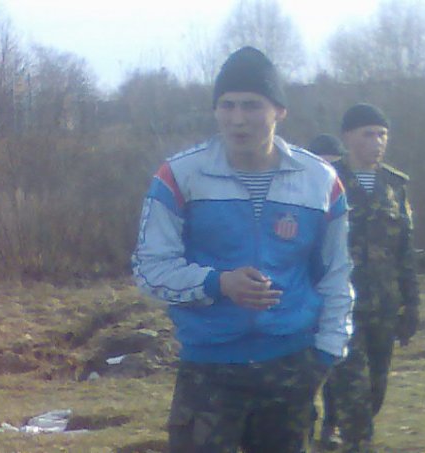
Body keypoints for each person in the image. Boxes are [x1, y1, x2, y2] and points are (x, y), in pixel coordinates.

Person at [132, 46, 354, 453]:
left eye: (252, 105)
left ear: (279, 111)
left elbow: (336, 275)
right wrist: (218, 284)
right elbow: (150, 268)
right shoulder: (179, 176)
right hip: (209, 370)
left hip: (291, 367)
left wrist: (326, 352)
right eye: (227, 105)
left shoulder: (320, 182)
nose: (237, 119)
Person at [308, 104, 420, 453]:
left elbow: (405, 251)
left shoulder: (395, 185)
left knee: (375, 389)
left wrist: (411, 304)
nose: (377, 141)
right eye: (368, 134)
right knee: (353, 391)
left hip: (383, 306)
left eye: (382, 134)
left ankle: (339, 433)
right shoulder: (327, 182)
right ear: (347, 137)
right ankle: (356, 442)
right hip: (341, 306)